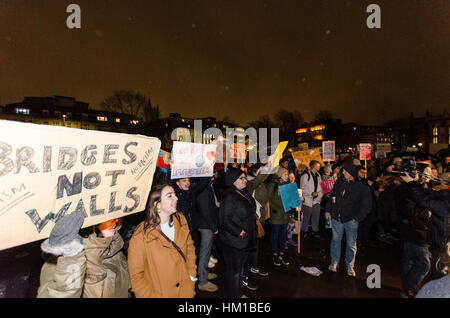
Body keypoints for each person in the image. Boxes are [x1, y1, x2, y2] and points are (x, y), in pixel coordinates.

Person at [37, 211, 131, 298]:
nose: (116, 220)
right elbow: (59, 293)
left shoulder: (114, 245)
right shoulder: (60, 261)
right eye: (107, 215)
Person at [127, 183, 197, 298]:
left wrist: (191, 276)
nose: (176, 198)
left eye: (174, 194)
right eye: (170, 195)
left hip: (185, 292)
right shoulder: (141, 235)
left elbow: (190, 249)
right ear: (157, 204)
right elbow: (136, 276)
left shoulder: (181, 220)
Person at [325, 161, 372, 277]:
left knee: (351, 244)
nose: (343, 172)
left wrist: (357, 218)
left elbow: (367, 205)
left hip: (351, 221)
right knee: (335, 241)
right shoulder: (338, 183)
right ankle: (334, 263)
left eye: (345, 171)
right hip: (337, 218)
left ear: (351, 173)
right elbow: (332, 196)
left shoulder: (362, 187)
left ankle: (350, 266)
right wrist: (328, 209)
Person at [218, 168, 257, 298]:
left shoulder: (243, 191)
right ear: (233, 180)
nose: (245, 180)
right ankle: (235, 295)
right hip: (234, 241)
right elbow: (224, 220)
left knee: (241, 268)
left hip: (245, 240)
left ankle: (239, 290)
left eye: (245, 177)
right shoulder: (229, 196)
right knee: (235, 271)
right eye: (241, 178)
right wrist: (239, 232)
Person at [196, 171, 220, 292]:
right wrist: (213, 227)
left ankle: (204, 273)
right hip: (206, 226)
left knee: (207, 252)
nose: (215, 175)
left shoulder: (208, 186)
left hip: (208, 225)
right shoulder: (204, 188)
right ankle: (202, 281)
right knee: (204, 253)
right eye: (213, 172)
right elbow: (205, 210)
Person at [267, 167, 293, 266]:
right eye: (285, 174)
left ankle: (281, 254)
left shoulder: (287, 185)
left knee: (283, 235)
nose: (288, 176)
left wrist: (298, 199)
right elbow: (268, 200)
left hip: (285, 215)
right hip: (276, 215)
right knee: (275, 235)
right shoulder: (273, 185)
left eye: (288, 174)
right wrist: (277, 209)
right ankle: (275, 254)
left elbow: (291, 200)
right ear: (280, 175)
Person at [300, 160, 323, 239]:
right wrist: (311, 193)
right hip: (308, 200)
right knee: (306, 217)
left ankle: (315, 231)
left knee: (316, 217)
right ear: (313, 166)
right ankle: (304, 231)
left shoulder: (318, 175)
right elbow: (302, 188)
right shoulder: (305, 176)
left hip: (316, 200)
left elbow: (321, 188)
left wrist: (320, 196)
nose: (320, 167)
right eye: (318, 165)